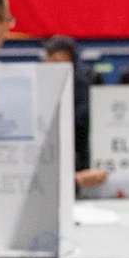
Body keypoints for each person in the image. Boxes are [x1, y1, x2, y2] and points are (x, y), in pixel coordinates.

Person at [40, 34, 109, 191]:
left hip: (76, 152)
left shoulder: (80, 80)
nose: (46, 59)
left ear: (64, 56)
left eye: (50, 54)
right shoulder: (55, 77)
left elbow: (81, 121)